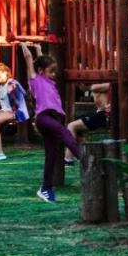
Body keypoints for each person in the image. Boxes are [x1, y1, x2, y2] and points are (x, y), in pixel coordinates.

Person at [22, 43, 81, 203]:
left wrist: (38, 47)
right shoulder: (35, 80)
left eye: (55, 71)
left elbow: (41, 60)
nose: (54, 74)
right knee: (64, 132)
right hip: (43, 118)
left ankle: (45, 188)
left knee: (52, 156)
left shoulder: (49, 82)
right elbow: (29, 59)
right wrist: (21, 43)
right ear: (41, 71)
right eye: (51, 71)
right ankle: (83, 157)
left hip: (53, 118)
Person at [64, 82, 112, 166]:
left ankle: (69, 159)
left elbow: (93, 87)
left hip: (104, 115)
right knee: (73, 129)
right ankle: (86, 155)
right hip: (100, 114)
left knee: (71, 126)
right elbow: (84, 88)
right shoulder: (101, 85)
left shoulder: (107, 83)